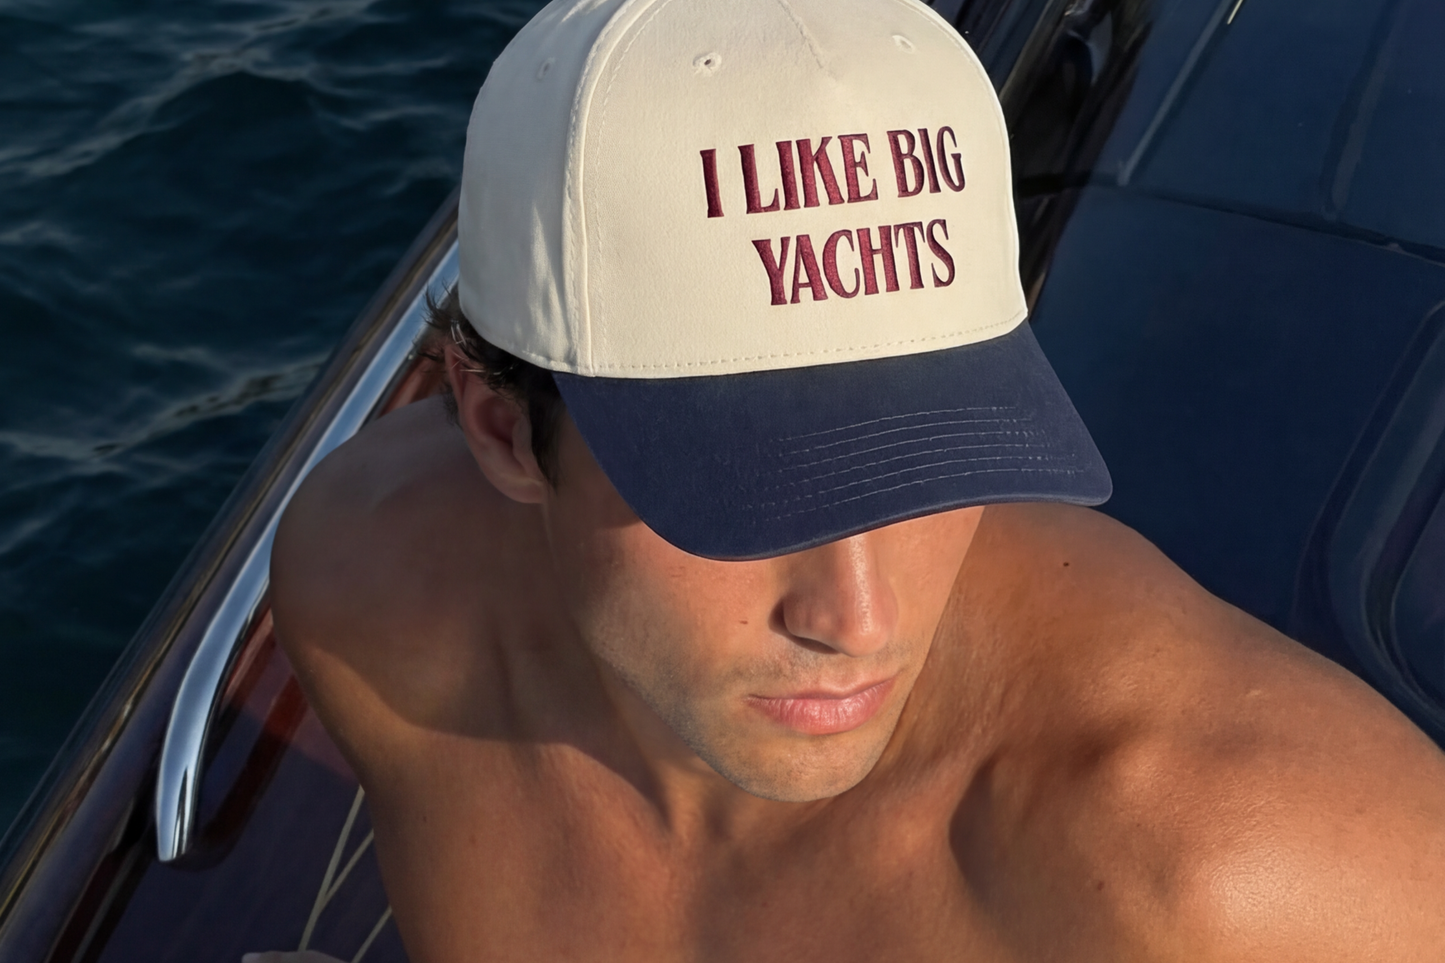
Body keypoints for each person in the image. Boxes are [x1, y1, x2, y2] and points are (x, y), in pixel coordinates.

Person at [266, 0, 1445, 959]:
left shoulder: (1235, 865)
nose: (861, 619)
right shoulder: (375, 597)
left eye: (924, 462)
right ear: (503, 430)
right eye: (745, 493)